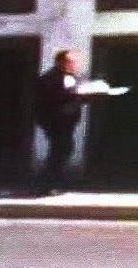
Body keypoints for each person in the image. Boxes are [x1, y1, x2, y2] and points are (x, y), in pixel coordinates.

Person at [33, 49, 86, 195]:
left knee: (64, 149)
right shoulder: (50, 78)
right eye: (70, 61)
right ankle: (47, 184)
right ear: (60, 62)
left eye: (74, 62)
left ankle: (51, 182)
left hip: (67, 122)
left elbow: (74, 96)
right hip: (55, 121)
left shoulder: (71, 77)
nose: (74, 64)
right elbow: (48, 100)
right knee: (59, 150)